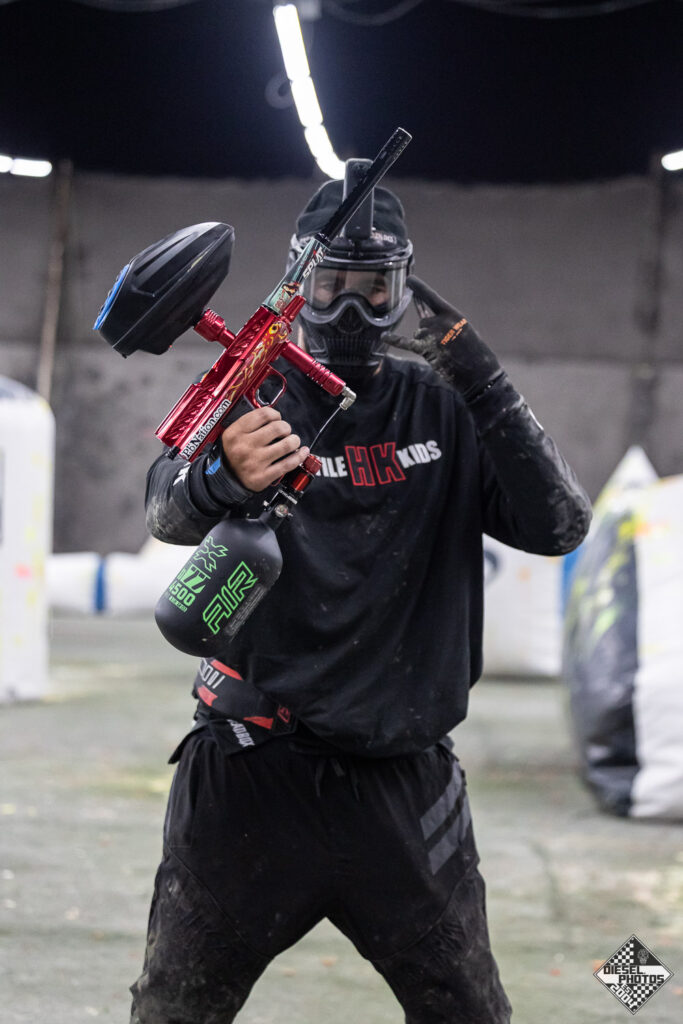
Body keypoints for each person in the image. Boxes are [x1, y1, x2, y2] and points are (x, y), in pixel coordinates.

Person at [130, 172, 591, 1024]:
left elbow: (559, 526)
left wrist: (482, 378)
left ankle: (633, 985)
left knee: (469, 1012)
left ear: (403, 288)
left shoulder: (443, 406)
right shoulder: (252, 391)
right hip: (249, 769)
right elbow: (164, 509)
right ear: (299, 282)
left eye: (372, 289)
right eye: (330, 284)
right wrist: (221, 478)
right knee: (174, 1012)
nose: (348, 309)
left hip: (402, 782)